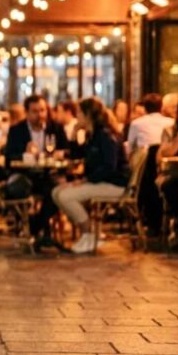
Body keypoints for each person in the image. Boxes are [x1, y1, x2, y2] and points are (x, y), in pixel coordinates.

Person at [51, 97, 129, 254]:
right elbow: (77, 155)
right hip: (99, 182)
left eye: (79, 112)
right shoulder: (92, 135)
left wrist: (84, 181)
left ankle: (88, 234)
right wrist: (74, 134)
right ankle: (91, 233)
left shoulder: (106, 135)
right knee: (56, 192)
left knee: (66, 196)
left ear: (88, 115)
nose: (77, 116)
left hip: (114, 184)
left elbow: (110, 167)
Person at [3, 95, 70, 246]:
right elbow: (8, 158)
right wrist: (25, 154)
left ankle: (35, 226)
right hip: (25, 174)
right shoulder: (17, 130)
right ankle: (25, 224)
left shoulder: (56, 128)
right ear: (26, 112)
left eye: (42, 110)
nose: (40, 115)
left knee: (58, 190)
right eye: (35, 111)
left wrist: (61, 153)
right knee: (17, 187)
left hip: (49, 174)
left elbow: (67, 150)